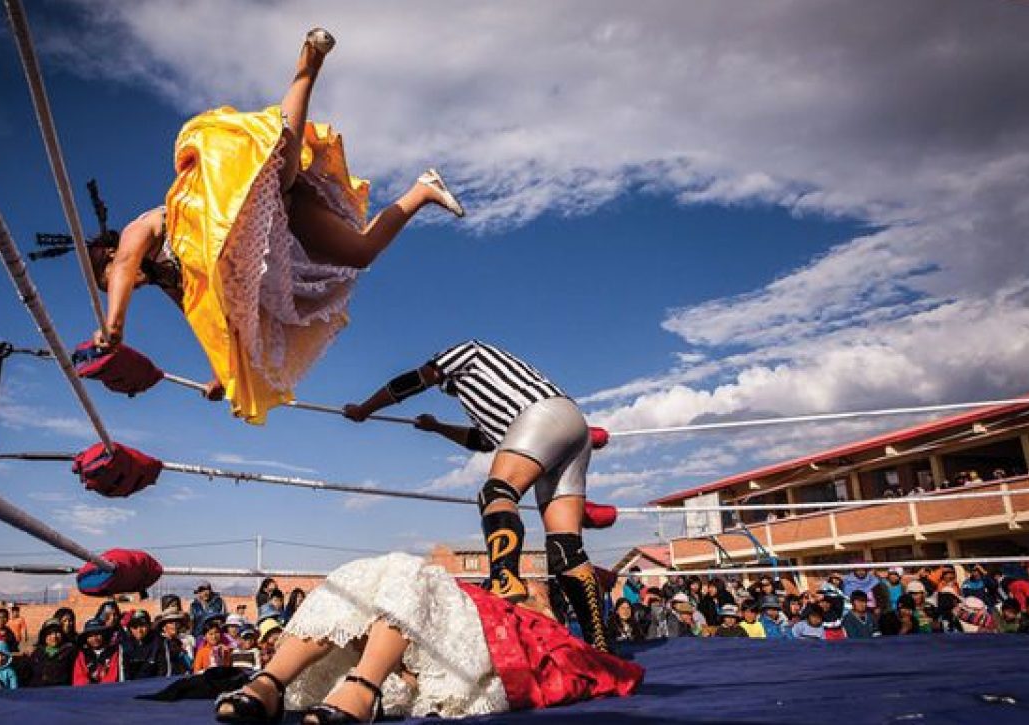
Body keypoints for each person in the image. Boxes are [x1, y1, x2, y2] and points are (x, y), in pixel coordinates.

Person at [74, 29, 466, 425]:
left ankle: (307, 69)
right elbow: (211, 323)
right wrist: (223, 376)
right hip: (273, 234)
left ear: (106, 257)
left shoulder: (137, 232)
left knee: (280, 172)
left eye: (107, 280)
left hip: (236, 198)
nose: (130, 285)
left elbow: (125, 263)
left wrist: (114, 324)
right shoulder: (168, 278)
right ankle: (423, 190)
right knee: (359, 252)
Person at [344, 341, 609, 652]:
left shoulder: (467, 351)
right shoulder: (485, 396)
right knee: (566, 547)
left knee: (498, 491)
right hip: (573, 428)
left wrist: (365, 409)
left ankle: (505, 579)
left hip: (541, 415)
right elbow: (482, 440)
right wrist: (438, 428)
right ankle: (600, 645)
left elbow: (415, 380)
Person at [213, 552, 642, 724]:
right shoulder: (483, 589)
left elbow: (573, 659)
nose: (523, 586)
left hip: (463, 647)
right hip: (421, 627)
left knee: (414, 573)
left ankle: (357, 688)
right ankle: (272, 683)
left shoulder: (545, 624)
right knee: (383, 573)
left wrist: (537, 606)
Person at [72, 617, 123, 686]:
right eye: (90, 636)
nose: (94, 638)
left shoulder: (114, 652)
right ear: (86, 638)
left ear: (104, 634)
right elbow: (79, 678)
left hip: (109, 692)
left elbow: (113, 676)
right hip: (87, 692)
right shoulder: (82, 654)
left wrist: (101, 689)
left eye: (98, 634)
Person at [26, 618, 76, 688]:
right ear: (43, 636)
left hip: (61, 692)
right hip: (37, 693)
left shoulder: (70, 651)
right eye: (49, 633)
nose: (54, 636)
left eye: (57, 633)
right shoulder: (36, 652)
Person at [122, 609, 168, 681]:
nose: (139, 630)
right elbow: (124, 673)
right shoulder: (125, 645)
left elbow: (163, 671)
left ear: (149, 625)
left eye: (142, 626)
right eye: (135, 626)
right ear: (130, 628)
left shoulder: (159, 643)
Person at [155, 607, 192, 676]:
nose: (174, 625)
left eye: (176, 622)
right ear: (163, 626)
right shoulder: (160, 642)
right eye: (171, 622)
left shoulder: (178, 642)